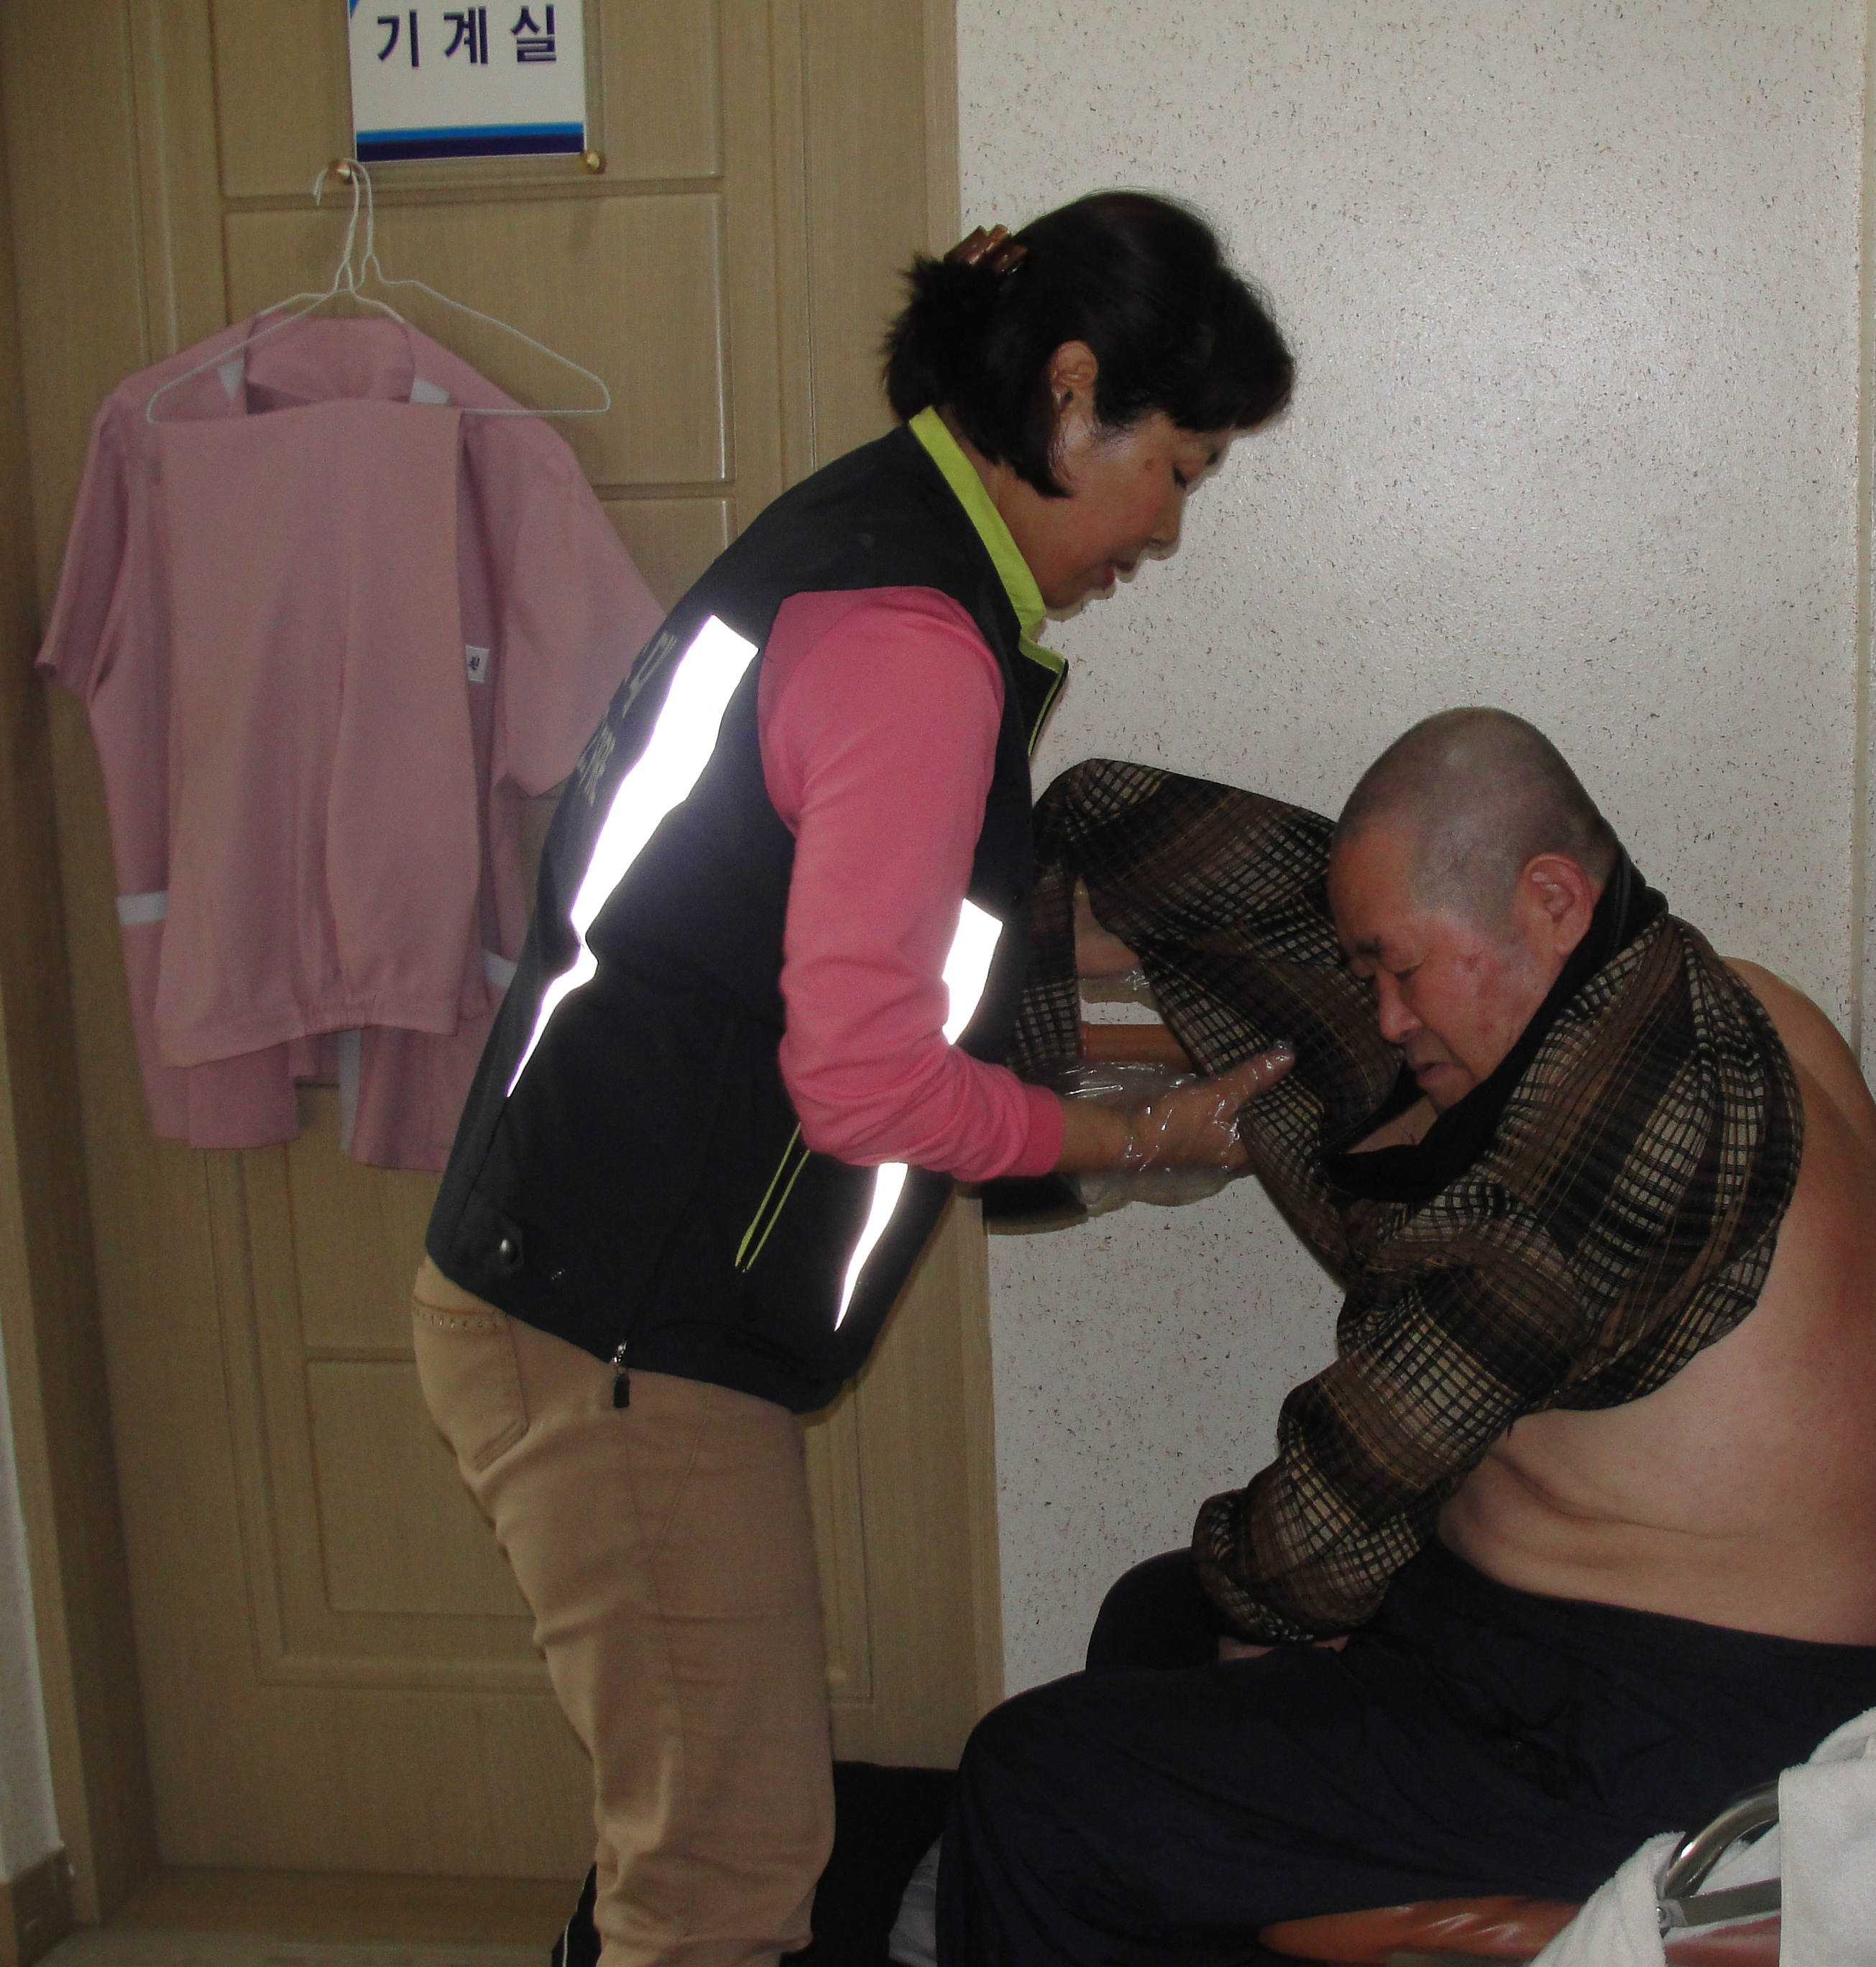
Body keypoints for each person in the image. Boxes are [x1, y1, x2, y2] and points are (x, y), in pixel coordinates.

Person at [409, 194, 1297, 1967]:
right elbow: (869, 1084)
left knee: (700, 1837)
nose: (1166, 529)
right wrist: (1138, 1137)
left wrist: (1111, 985)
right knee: (724, 1871)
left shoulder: (871, 545)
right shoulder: (912, 642)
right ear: (1071, 394)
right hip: (620, 1331)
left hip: (593, 1288)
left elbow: (808, 908)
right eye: (1178, 471)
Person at [938, 711, 1876, 1967]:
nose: (1383, 1019)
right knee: (1152, 1622)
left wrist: (1280, 1622)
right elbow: (1207, 860)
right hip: (1642, 1656)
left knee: (1033, 1787)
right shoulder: (1701, 988)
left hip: (1672, 1733)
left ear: (1552, 899)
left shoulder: (1590, 1168)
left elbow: (1323, 1525)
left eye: (1401, 972)